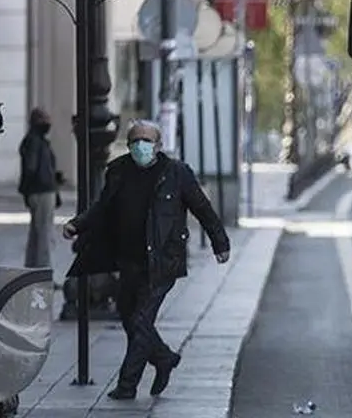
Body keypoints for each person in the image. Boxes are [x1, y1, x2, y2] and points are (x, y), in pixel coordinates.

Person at [61, 120, 231, 400]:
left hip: (164, 260)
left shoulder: (176, 173)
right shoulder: (118, 171)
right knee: (130, 319)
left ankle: (127, 386)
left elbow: (202, 208)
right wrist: (77, 224)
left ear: (159, 145)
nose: (141, 145)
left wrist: (219, 243)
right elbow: (103, 207)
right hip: (128, 260)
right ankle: (163, 359)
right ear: (128, 146)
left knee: (141, 320)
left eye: (147, 140)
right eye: (135, 140)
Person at [18, 107, 63, 270]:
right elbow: (32, 168)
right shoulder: (35, 142)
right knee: (44, 233)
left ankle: (32, 267)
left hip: (41, 190)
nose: (48, 124)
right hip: (42, 191)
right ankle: (43, 270)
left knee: (37, 233)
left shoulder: (35, 141)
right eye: (44, 120)